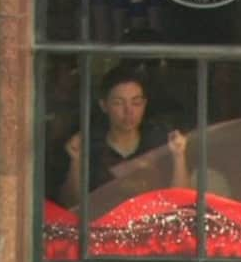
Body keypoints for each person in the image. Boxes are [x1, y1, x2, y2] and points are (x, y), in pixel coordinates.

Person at [59, 65, 189, 207]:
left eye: (136, 102)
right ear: (104, 105)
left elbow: (181, 202)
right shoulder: (89, 147)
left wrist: (179, 156)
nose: (128, 111)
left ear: (144, 104)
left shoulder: (159, 144)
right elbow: (72, 205)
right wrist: (75, 161)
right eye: (118, 103)